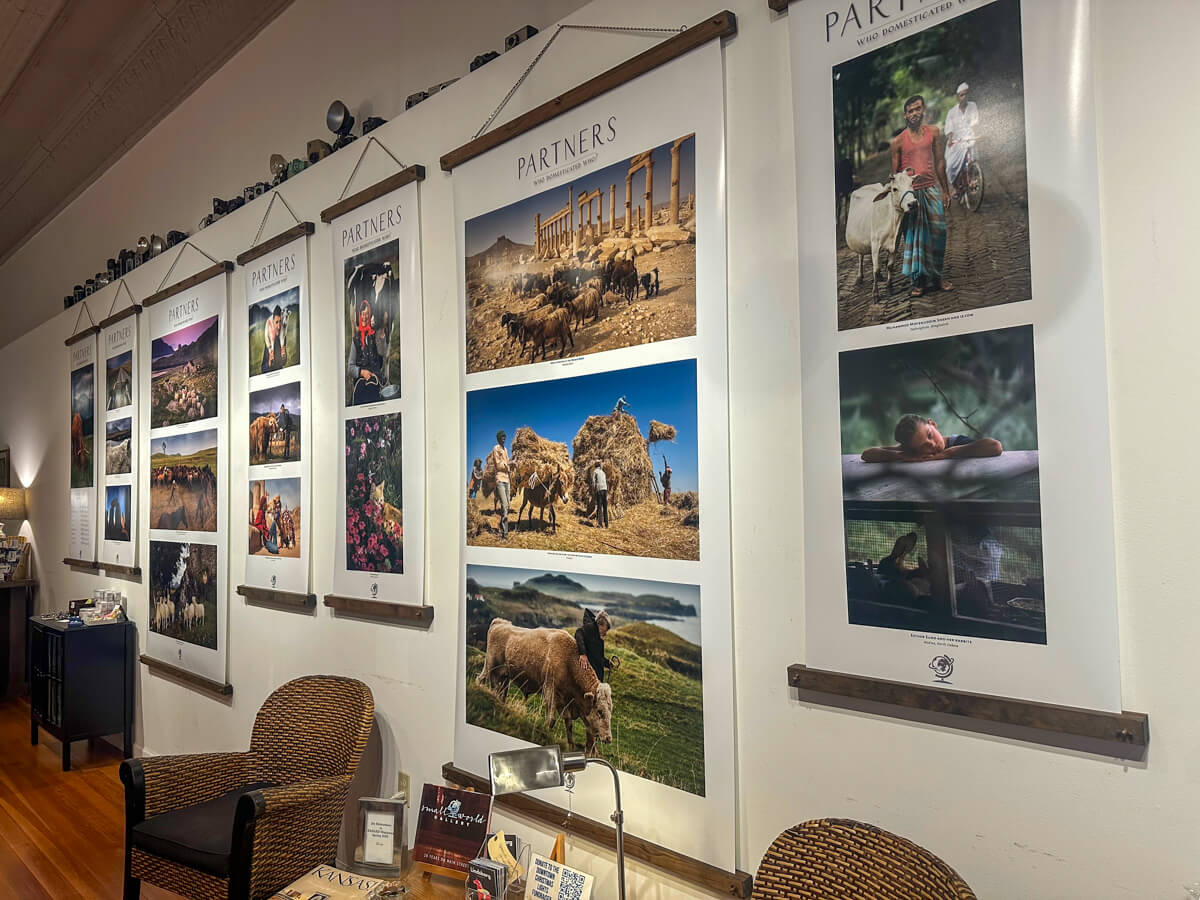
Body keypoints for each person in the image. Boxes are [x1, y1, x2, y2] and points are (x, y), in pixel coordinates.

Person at [891, 94, 954, 297]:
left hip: (931, 189)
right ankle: (918, 281)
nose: (914, 113)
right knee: (915, 237)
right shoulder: (898, 141)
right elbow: (895, 177)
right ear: (905, 115)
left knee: (938, 232)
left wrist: (945, 190)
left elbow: (940, 163)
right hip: (911, 196)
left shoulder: (933, 132)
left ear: (923, 110)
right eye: (910, 110)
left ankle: (936, 277)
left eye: (917, 108)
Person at [860, 414, 1003, 463]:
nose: (933, 444)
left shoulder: (957, 442)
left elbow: (995, 446)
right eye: (923, 446)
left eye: (930, 435)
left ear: (933, 424)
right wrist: (902, 456)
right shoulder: (915, 454)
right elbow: (867, 454)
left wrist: (947, 454)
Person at [943, 82, 980, 194]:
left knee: (973, 160)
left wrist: (977, 135)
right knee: (950, 167)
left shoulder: (973, 106)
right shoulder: (952, 112)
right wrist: (950, 140)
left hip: (969, 137)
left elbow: (975, 123)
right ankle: (955, 187)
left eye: (966, 94)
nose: (964, 97)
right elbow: (949, 128)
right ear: (958, 97)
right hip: (956, 140)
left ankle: (973, 179)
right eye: (961, 95)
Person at [348, 299, 384, 405]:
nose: (364, 317)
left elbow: (382, 356)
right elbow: (350, 368)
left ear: (370, 315)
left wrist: (381, 338)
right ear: (359, 315)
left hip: (376, 380)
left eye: (367, 314)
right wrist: (362, 372)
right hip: (361, 383)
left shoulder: (375, 335)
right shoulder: (356, 340)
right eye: (362, 314)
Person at [575, 608, 619, 683]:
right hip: (587, 675)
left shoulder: (598, 637)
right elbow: (578, 633)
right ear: (600, 624)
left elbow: (597, 657)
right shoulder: (590, 628)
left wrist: (607, 663)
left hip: (595, 677)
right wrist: (582, 654)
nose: (606, 631)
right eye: (607, 627)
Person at [487, 431, 513, 539]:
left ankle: (504, 529)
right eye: (502, 437)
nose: (504, 438)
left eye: (504, 436)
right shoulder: (496, 448)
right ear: (498, 438)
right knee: (504, 504)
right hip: (500, 479)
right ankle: (504, 534)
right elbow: (498, 465)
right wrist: (509, 464)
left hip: (507, 479)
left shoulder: (505, 449)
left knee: (507, 505)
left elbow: (507, 466)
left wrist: (511, 465)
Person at [260, 305, 285, 373]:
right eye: (276, 322)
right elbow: (263, 369)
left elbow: (283, 363)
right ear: (272, 322)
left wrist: (284, 356)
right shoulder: (269, 343)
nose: (279, 326)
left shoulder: (282, 339)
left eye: (280, 322)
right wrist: (269, 363)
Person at [592, 462, 609, 528]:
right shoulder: (603, 472)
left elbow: (593, 482)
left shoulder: (595, 471)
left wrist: (593, 490)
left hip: (599, 490)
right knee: (605, 507)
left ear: (595, 466)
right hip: (605, 490)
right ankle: (606, 524)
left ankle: (600, 524)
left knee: (599, 507)